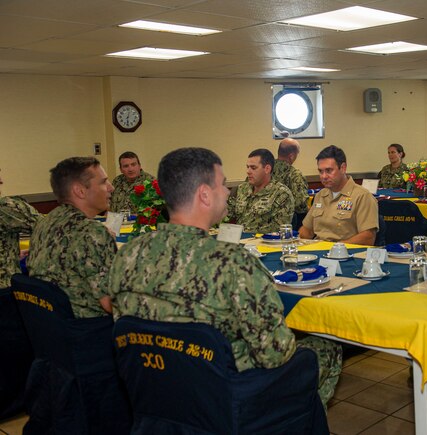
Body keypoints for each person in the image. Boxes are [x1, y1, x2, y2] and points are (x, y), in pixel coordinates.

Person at [108, 147, 341, 407]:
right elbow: (275, 353)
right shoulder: (234, 264)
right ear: (205, 195)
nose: (228, 192)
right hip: (226, 397)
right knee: (324, 349)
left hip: (155, 392)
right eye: (222, 184)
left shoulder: (127, 256)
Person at [28, 157, 116, 317]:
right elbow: (111, 303)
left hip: (51, 327)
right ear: (80, 191)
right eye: (103, 182)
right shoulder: (91, 232)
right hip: (90, 330)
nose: (111, 188)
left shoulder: (46, 222)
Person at [299, 145, 378, 245]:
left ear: (343, 168)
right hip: (318, 252)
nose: (323, 176)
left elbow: (368, 237)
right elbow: (307, 229)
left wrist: (335, 249)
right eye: (320, 171)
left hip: (346, 255)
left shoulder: (362, 196)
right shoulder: (320, 195)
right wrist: (298, 241)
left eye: (329, 170)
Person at [227, 148, 294, 234]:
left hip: (264, 243)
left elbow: (279, 231)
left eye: (253, 168)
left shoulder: (282, 194)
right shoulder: (241, 189)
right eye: (247, 167)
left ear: (267, 169)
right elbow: (226, 217)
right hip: (238, 240)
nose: (248, 171)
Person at [0, 168, 42, 288]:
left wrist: (11, 255)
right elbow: (47, 227)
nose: (1, 181)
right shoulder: (5, 208)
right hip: (5, 286)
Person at [272, 137, 309, 217]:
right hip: (288, 221)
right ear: (291, 156)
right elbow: (301, 205)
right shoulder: (294, 174)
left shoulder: (267, 169)